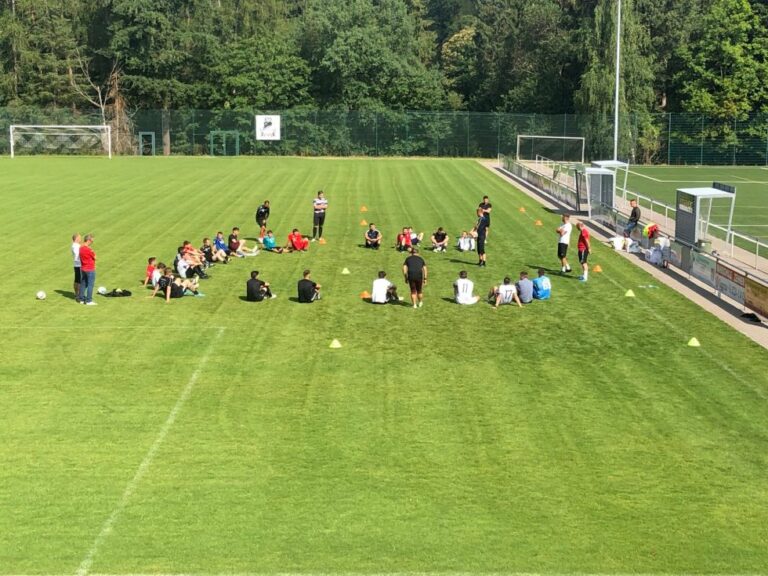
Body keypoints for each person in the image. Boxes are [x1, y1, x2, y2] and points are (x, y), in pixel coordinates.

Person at [78, 234, 97, 306]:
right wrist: (92, 251)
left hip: (83, 268)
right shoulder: (89, 250)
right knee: (90, 285)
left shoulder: (80, 248)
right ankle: (89, 300)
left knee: (83, 284)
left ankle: (81, 299)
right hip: (90, 269)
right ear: (88, 240)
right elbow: (95, 257)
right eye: (92, 241)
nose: (92, 242)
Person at [71, 233, 82, 301]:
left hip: (77, 265)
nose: (81, 239)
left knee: (77, 280)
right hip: (79, 265)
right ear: (77, 238)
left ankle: (77, 294)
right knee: (79, 281)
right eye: (80, 238)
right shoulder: (76, 246)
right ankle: (78, 295)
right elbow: (77, 255)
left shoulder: (75, 245)